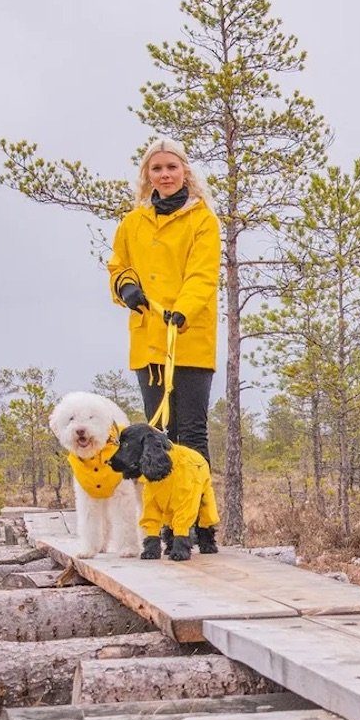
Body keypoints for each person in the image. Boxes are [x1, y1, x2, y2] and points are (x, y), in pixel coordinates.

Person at [107, 137, 221, 552]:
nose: (165, 175)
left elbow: (203, 275)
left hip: (189, 336)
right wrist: (128, 288)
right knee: (157, 434)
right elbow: (119, 266)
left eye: (172, 167)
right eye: (157, 169)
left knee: (189, 433)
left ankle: (200, 526)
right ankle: (165, 524)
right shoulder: (132, 223)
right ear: (147, 176)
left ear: (185, 172)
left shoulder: (203, 220)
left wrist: (183, 309)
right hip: (148, 340)